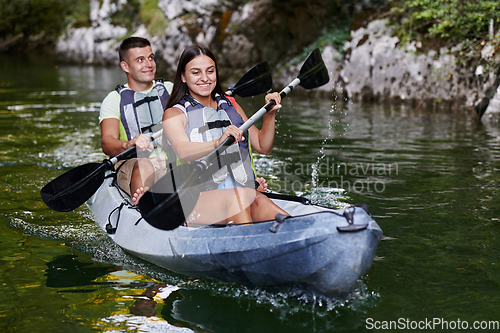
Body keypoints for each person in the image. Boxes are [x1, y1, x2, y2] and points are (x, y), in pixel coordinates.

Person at [162, 44, 289, 226]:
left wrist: (269, 114)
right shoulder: (175, 114)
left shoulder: (231, 107)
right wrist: (217, 142)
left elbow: (263, 146)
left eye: (210, 71)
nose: (205, 78)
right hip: (192, 202)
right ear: (183, 76)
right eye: (196, 72)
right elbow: (182, 150)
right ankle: (248, 245)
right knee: (238, 198)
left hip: (239, 194)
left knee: (258, 200)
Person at [99, 37, 172, 205]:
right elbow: (107, 142)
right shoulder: (113, 99)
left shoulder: (169, 89)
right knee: (144, 163)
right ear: (125, 66)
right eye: (140, 60)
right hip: (134, 164)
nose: (149, 64)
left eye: (151, 58)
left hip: (171, 161)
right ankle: (142, 206)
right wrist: (128, 144)